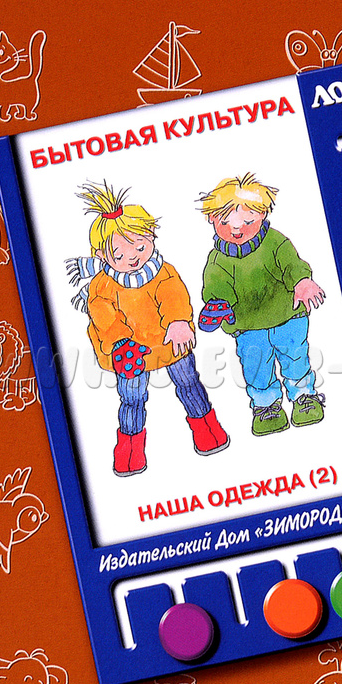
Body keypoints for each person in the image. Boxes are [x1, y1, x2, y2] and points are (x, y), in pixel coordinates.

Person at [67, 181, 228, 475]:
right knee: (132, 399)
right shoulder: (102, 285)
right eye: (119, 255)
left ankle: (207, 429)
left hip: (169, 342)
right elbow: (102, 316)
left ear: (152, 237)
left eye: (140, 247)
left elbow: (174, 295)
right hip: (131, 354)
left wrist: (179, 322)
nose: (133, 257)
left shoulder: (163, 272)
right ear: (102, 256)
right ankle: (130, 449)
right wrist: (120, 343)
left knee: (189, 383)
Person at [198, 172, 325, 436]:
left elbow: (292, 264)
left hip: (288, 317)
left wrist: (302, 281)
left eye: (247, 221)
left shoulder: (275, 242)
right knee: (256, 367)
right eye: (225, 222)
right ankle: (266, 407)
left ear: (262, 214)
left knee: (295, 357)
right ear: (212, 219)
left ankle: (304, 396)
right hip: (248, 327)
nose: (237, 229)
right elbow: (216, 287)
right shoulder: (217, 260)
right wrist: (218, 305)